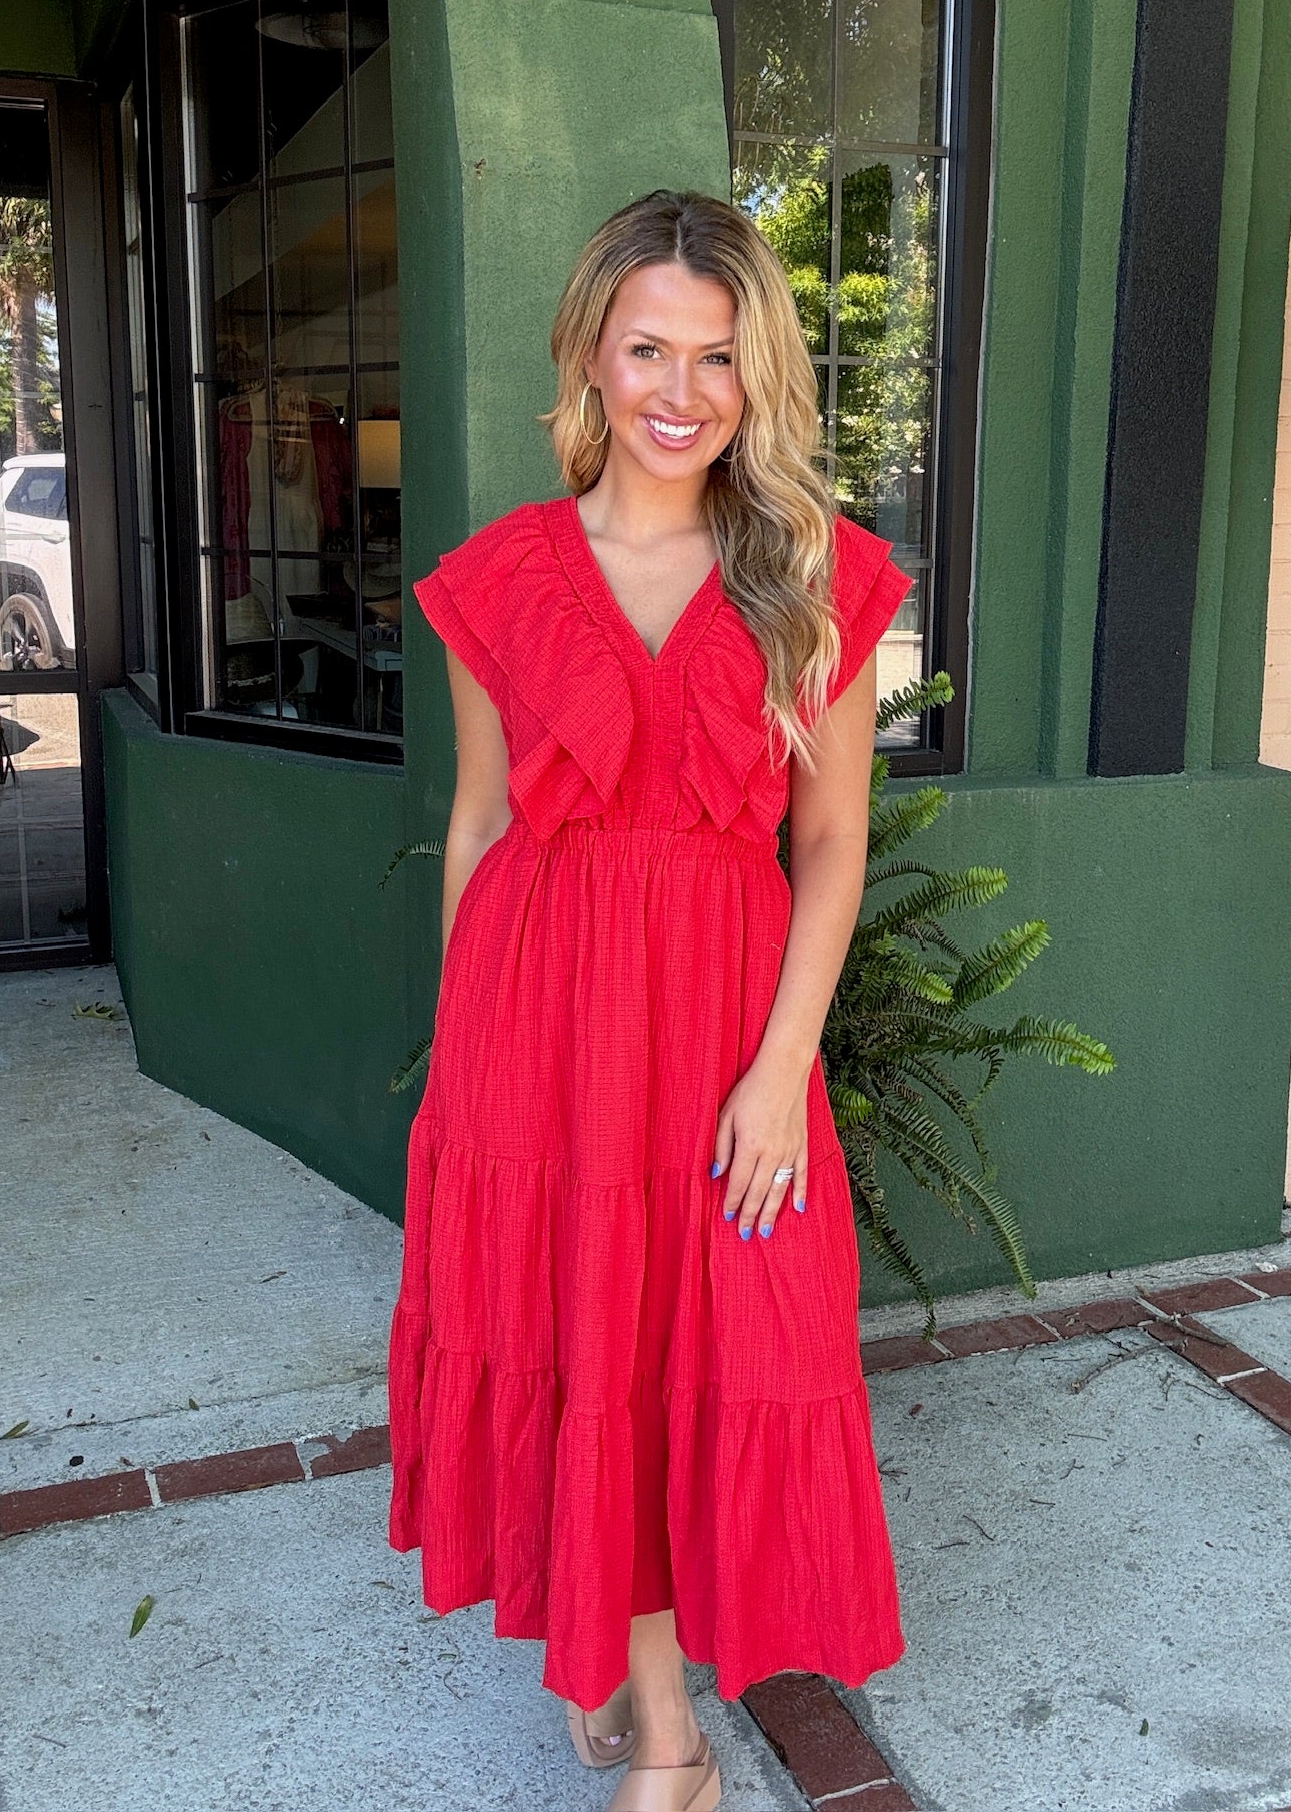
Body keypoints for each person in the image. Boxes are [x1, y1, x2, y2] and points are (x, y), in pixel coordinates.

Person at [388, 187, 909, 1811]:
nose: (680, 391)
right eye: (648, 350)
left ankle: (645, 1703)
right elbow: (482, 825)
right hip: (536, 1038)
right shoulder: (502, 579)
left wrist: (782, 1068)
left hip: (724, 1040)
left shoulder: (815, 584)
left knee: (701, 1348)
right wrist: (464, 1066)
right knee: (578, 1341)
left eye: (719, 357)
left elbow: (829, 849)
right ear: (591, 360)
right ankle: (665, 1736)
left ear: (759, 380)